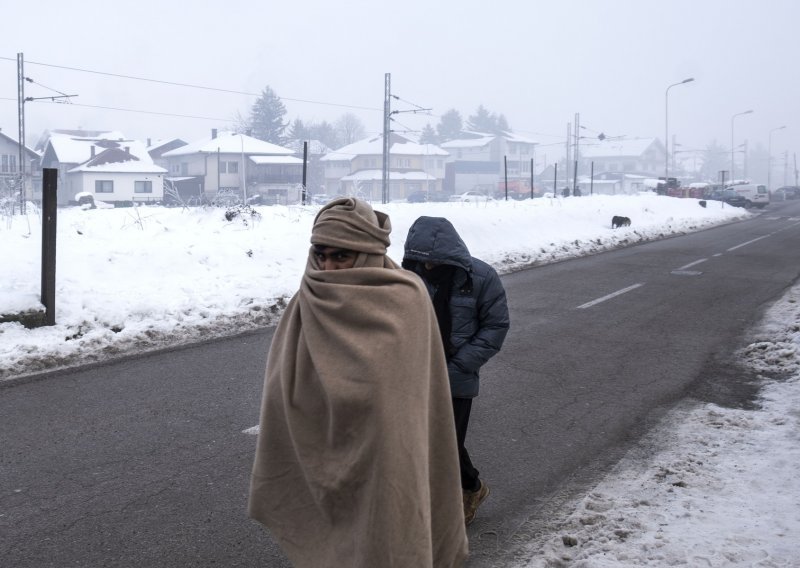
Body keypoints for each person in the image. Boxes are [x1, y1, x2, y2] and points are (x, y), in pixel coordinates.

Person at [248, 198, 468, 568]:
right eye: (321, 254)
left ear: (367, 253)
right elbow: (282, 389)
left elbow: (409, 397)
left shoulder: (405, 298)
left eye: (342, 256)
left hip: (388, 457)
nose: (329, 267)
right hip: (322, 451)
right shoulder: (306, 302)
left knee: (387, 540)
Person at [402, 216, 510, 526]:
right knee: (416, 441)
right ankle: (430, 502)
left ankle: (469, 490)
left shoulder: (480, 277)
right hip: (412, 375)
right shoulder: (405, 276)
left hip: (455, 378)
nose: (428, 268)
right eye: (421, 262)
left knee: (445, 444)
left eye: (433, 262)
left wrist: (459, 366)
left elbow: (496, 326)